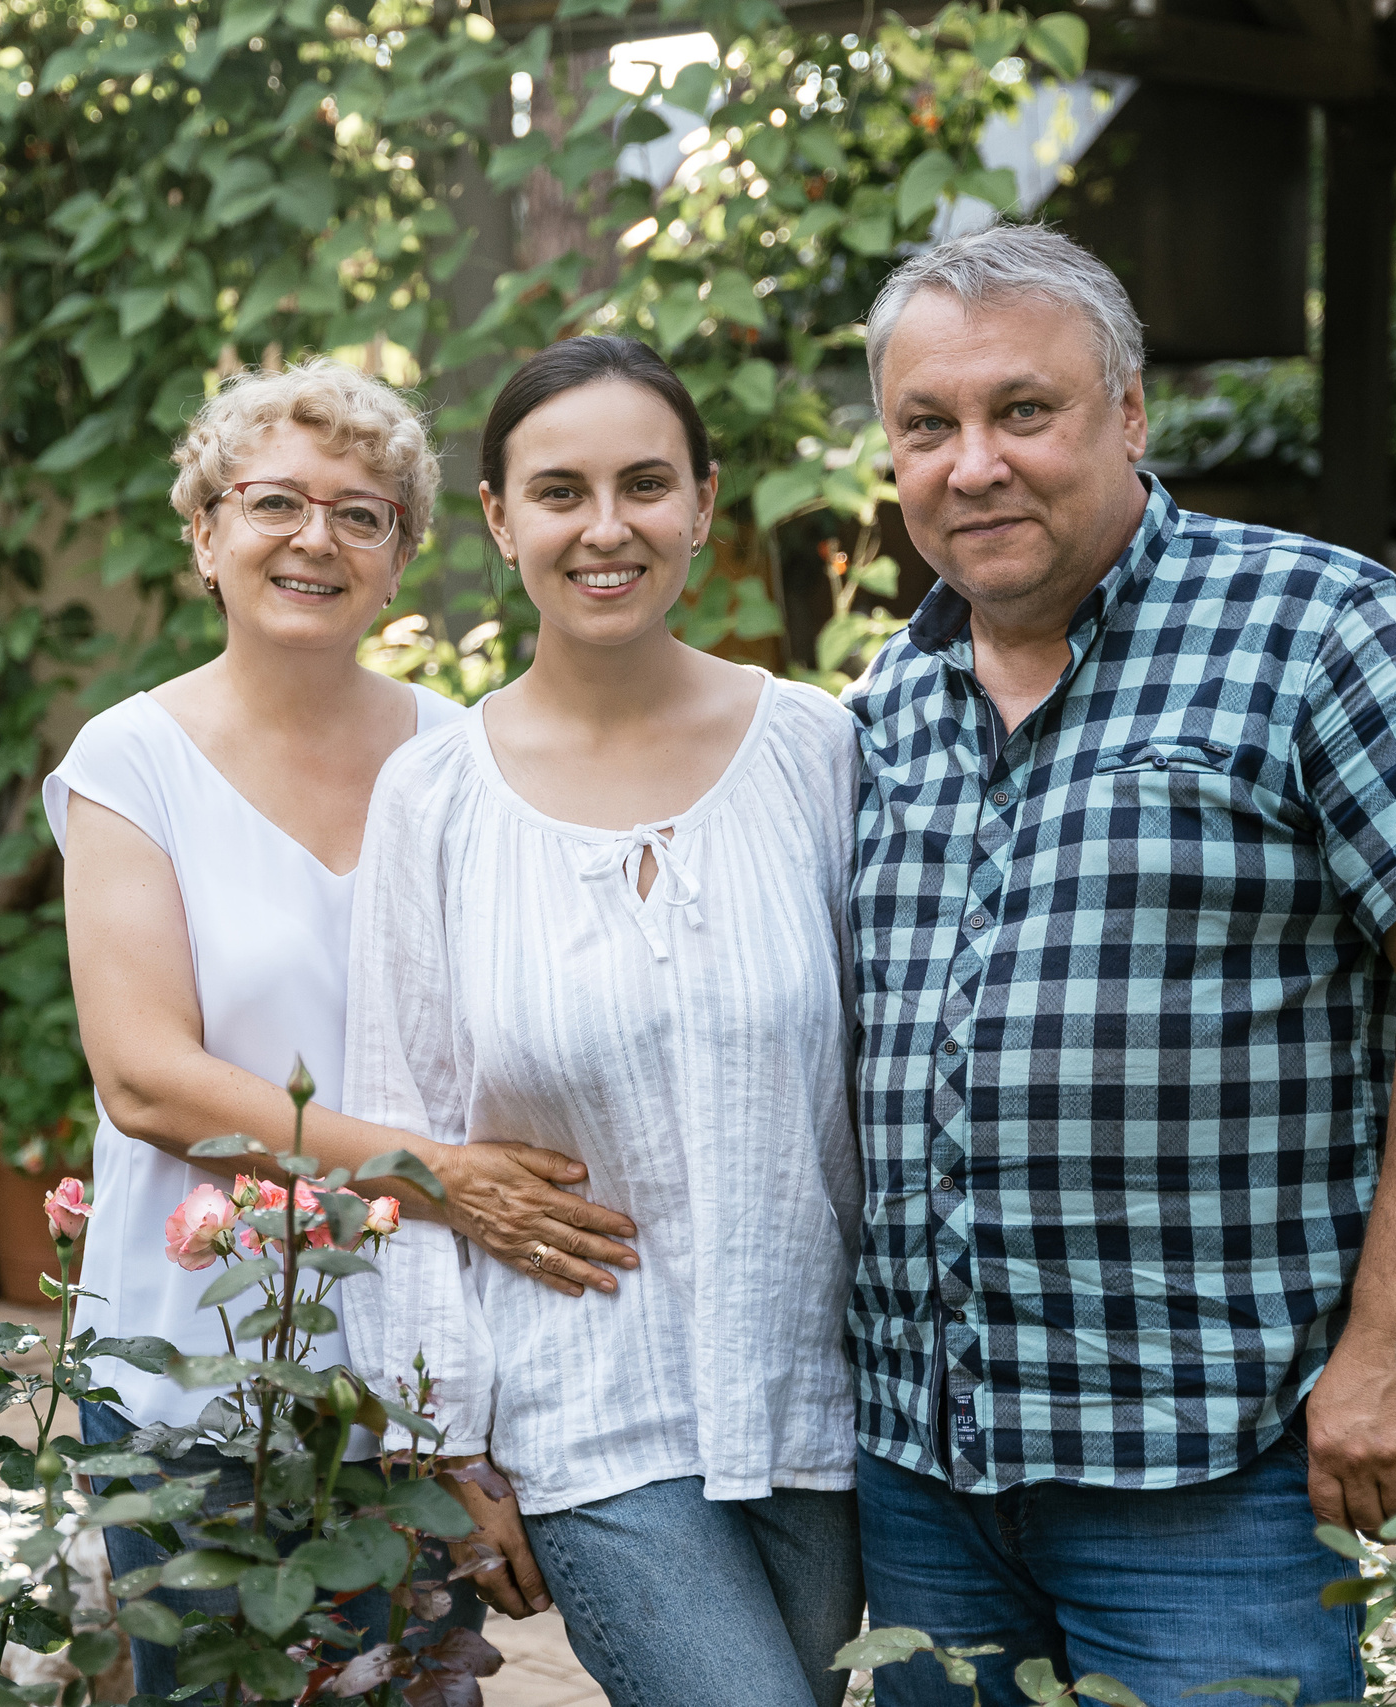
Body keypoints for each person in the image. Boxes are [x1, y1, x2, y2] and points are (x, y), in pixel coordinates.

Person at [844, 224, 1396, 1706]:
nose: (972, 463)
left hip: (1215, 1469)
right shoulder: (884, 700)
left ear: (1128, 413)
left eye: (1022, 411)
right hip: (928, 1472)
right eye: (929, 424)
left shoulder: (1322, 627)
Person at [48, 358, 636, 1692]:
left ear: (404, 555)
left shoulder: (476, 759)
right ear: (203, 531)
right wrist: (437, 1184)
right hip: (203, 1375)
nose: (316, 538)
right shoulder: (130, 762)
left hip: (426, 1380)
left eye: (362, 514)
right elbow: (150, 1083)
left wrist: (491, 1408)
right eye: (274, 503)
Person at [342, 336, 866, 1707]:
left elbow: (876, 1093)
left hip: (823, 1406)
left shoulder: (821, 751)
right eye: (560, 491)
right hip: (589, 1410)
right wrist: (439, 1436)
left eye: (645, 483)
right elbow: (398, 1116)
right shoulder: (434, 798)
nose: (607, 526)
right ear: (502, 520)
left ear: (703, 500)